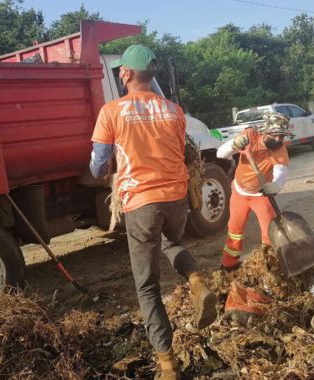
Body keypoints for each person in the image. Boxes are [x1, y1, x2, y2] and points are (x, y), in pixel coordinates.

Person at [88, 44, 217, 380]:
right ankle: (196, 280)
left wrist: (102, 170)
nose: (118, 74)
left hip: (141, 203)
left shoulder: (112, 111)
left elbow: (99, 163)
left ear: (127, 74)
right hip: (176, 199)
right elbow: (182, 150)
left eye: (120, 71)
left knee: (146, 287)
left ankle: (168, 366)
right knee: (173, 243)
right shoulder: (174, 111)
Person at [217, 112, 291, 271]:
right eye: (275, 135)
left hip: (261, 196)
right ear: (265, 132)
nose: (278, 139)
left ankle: (268, 266)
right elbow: (220, 153)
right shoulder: (250, 136)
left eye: (282, 136)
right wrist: (233, 144)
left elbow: (281, 170)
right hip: (239, 193)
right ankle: (229, 265)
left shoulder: (279, 149)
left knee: (269, 233)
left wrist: (276, 185)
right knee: (235, 231)